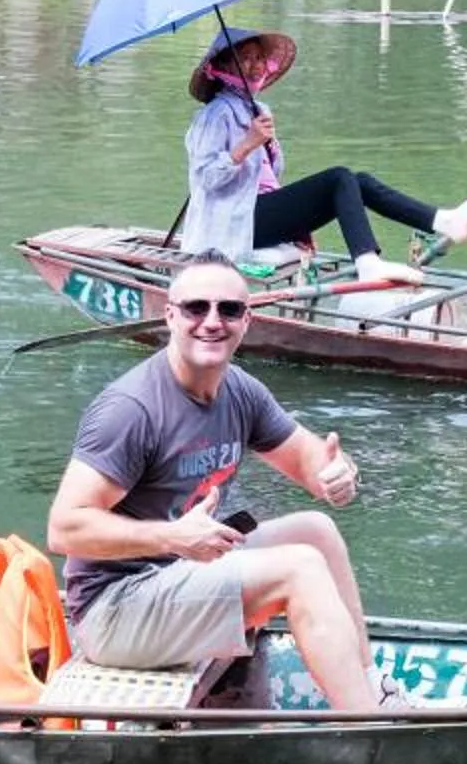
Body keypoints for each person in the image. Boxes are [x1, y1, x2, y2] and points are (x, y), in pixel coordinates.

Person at [44, 250, 399, 712]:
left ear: (246, 321)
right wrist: (173, 537)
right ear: (170, 316)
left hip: (180, 574)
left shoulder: (240, 390)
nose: (212, 321)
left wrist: (337, 474)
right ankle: (365, 730)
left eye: (228, 309)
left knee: (316, 530)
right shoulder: (131, 409)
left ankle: (371, 690)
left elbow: (312, 461)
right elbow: (63, 529)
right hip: (114, 612)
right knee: (299, 568)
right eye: (196, 308)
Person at [181, 26, 467, 285]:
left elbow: (270, 179)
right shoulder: (214, 115)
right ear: (222, 68)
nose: (255, 65)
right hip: (236, 222)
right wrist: (247, 144)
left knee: (359, 181)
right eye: (244, 58)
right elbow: (205, 179)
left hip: (258, 212)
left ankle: (443, 220)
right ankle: (368, 263)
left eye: (259, 58)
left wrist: (271, 154)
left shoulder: (259, 110)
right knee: (338, 178)